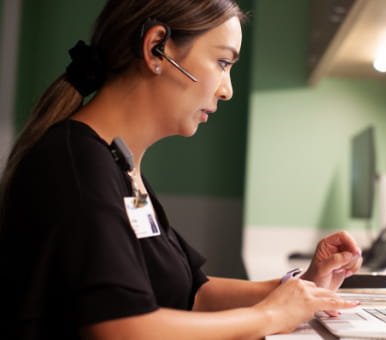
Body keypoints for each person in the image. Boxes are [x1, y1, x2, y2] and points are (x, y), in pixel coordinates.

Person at [0, 0, 363, 339]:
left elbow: (193, 292)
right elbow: (119, 327)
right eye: (223, 63)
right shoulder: (77, 167)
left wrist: (304, 288)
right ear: (157, 48)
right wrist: (270, 317)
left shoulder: (119, 165)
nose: (227, 90)